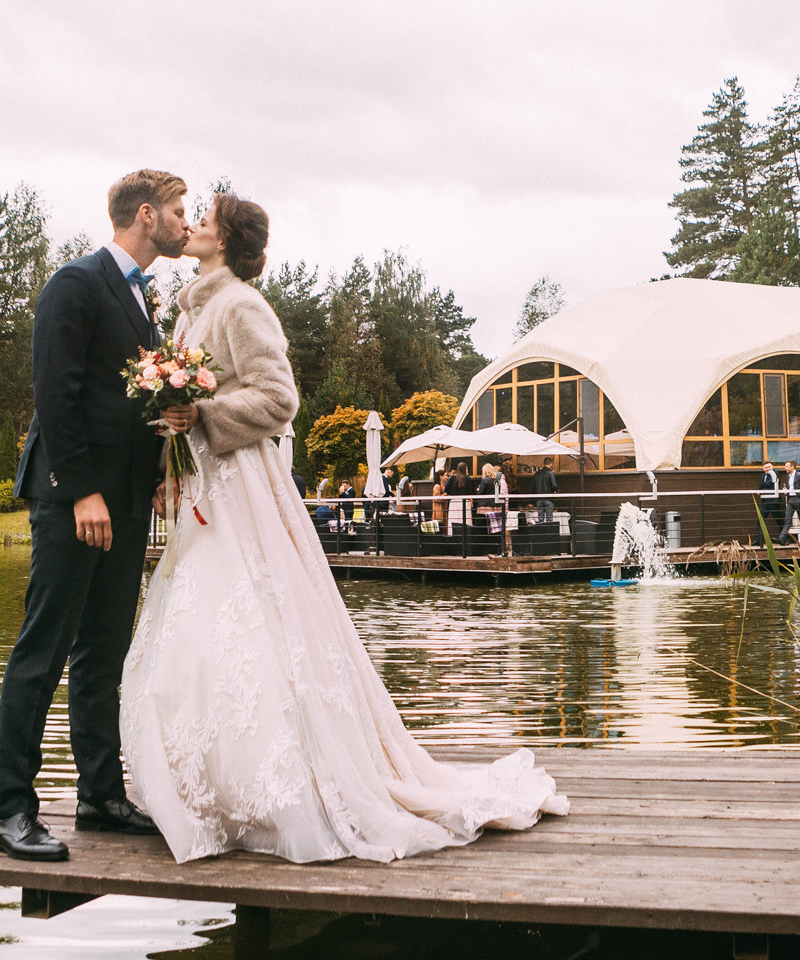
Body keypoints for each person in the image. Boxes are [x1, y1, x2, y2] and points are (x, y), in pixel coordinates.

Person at [121, 193, 565, 862]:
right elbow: (185, 411)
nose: (195, 223)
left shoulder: (240, 305)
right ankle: (214, 789)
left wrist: (205, 415)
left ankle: (284, 787)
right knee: (200, 631)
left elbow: (279, 400)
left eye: (206, 218)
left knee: (253, 624)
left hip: (244, 490)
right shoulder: (191, 310)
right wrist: (171, 467)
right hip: (204, 489)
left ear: (228, 240)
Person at [0, 169, 189, 863]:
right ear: (146, 215)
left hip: (126, 501)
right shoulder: (74, 284)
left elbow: (128, 403)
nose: (186, 222)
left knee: (104, 654)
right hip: (74, 500)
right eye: (179, 210)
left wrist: (159, 473)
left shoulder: (142, 299)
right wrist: (80, 492)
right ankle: (10, 812)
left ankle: (100, 797)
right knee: (42, 652)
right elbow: (55, 393)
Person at [782, 460, 800, 545]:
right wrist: (786, 491)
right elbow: (791, 488)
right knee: (787, 519)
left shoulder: (799, 475)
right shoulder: (788, 476)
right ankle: (782, 537)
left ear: (792, 466)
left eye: (787, 466)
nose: (785, 468)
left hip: (798, 499)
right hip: (790, 499)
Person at [755, 462, 784, 543]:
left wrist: (762, 486)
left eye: (769, 467)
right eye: (765, 467)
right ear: (763, 468)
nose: (767, 469)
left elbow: (768, 484)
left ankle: (784, 538)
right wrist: (758, 489)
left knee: (779, 521)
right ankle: (758, 540)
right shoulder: (763, 475)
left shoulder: (775, 474)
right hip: (765, 502)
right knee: (760, 521)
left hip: (774, 502)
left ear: (772, 466)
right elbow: (759, 485)